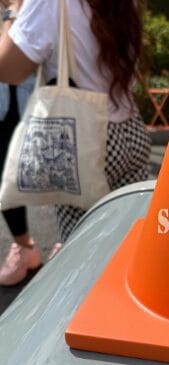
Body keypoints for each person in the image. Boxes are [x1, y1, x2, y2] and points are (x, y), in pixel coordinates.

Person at [0, 0, 150, 245]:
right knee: (128, 244)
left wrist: (13, 11)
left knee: (86, 253)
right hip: (131, 131)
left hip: (84, 135)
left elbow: (7, 69)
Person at [0, 74, 35, 285]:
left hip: (44, 98)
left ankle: (66, 241)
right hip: (5, 106)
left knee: (63, 171)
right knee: (3, 181)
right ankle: (25, 247)